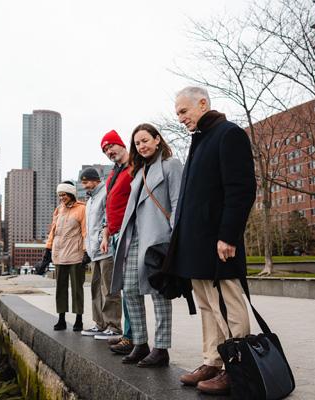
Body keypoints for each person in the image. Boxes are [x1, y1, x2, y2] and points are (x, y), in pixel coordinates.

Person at [169, 87, 256, 395]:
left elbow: (241, 188)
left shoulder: (229, 134)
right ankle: (213, 361)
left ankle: (238, 366)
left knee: (227, 305)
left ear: (202, 103)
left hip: (219, 243)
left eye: (183, 111)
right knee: (207, 305)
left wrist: (229, 236)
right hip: (196, 244)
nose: (179, 118)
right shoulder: (200, 140)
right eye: (177, 113)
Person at [110, 123, 181, 367]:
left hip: (158, 239)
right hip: (135, 238)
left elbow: (177, 202)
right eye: (137, 143)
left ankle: (161, 348)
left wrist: (173, 240)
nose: (141, 146)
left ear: (157, 139)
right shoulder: (139, 171)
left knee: (159, 295)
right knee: (129, 289)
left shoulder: (171, 165)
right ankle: (140, 343)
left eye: (145, 140)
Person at [99, 130, 136, 351]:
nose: (109, 151)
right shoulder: (113, 174)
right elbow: (109, 208)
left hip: (129, 233)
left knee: (131, 288)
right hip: (114, 236)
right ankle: (128, 334)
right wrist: (106, 233)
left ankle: (133, 337)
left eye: (111, 146)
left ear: (121, 144)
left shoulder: (134, 167)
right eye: (105, 150)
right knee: (123, 287)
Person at [78, 168, 122, 339]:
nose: (84, 186)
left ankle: (114, 326)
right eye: (83, 183)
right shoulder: (90, 200)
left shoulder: (105, 193)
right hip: (94, 251)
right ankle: (100, 323)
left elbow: (108, 219)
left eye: (86, 182)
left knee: (109, 289)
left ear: (95, 180)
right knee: (96, 289)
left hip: (106, 249)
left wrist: (103, 239)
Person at [38, 181, 88, 331]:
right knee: (60, 288)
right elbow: (53, 232)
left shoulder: (82, 209)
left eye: (64, 195)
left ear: (71, 194)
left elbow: (85, 232)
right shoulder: (58, 210)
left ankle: (79, 320)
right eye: (60, 195)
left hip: (75, 255)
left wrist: (86, 252)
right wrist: (47, 249)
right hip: (59, 255)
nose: (62, 198)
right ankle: (61, 319)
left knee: (77, 289)